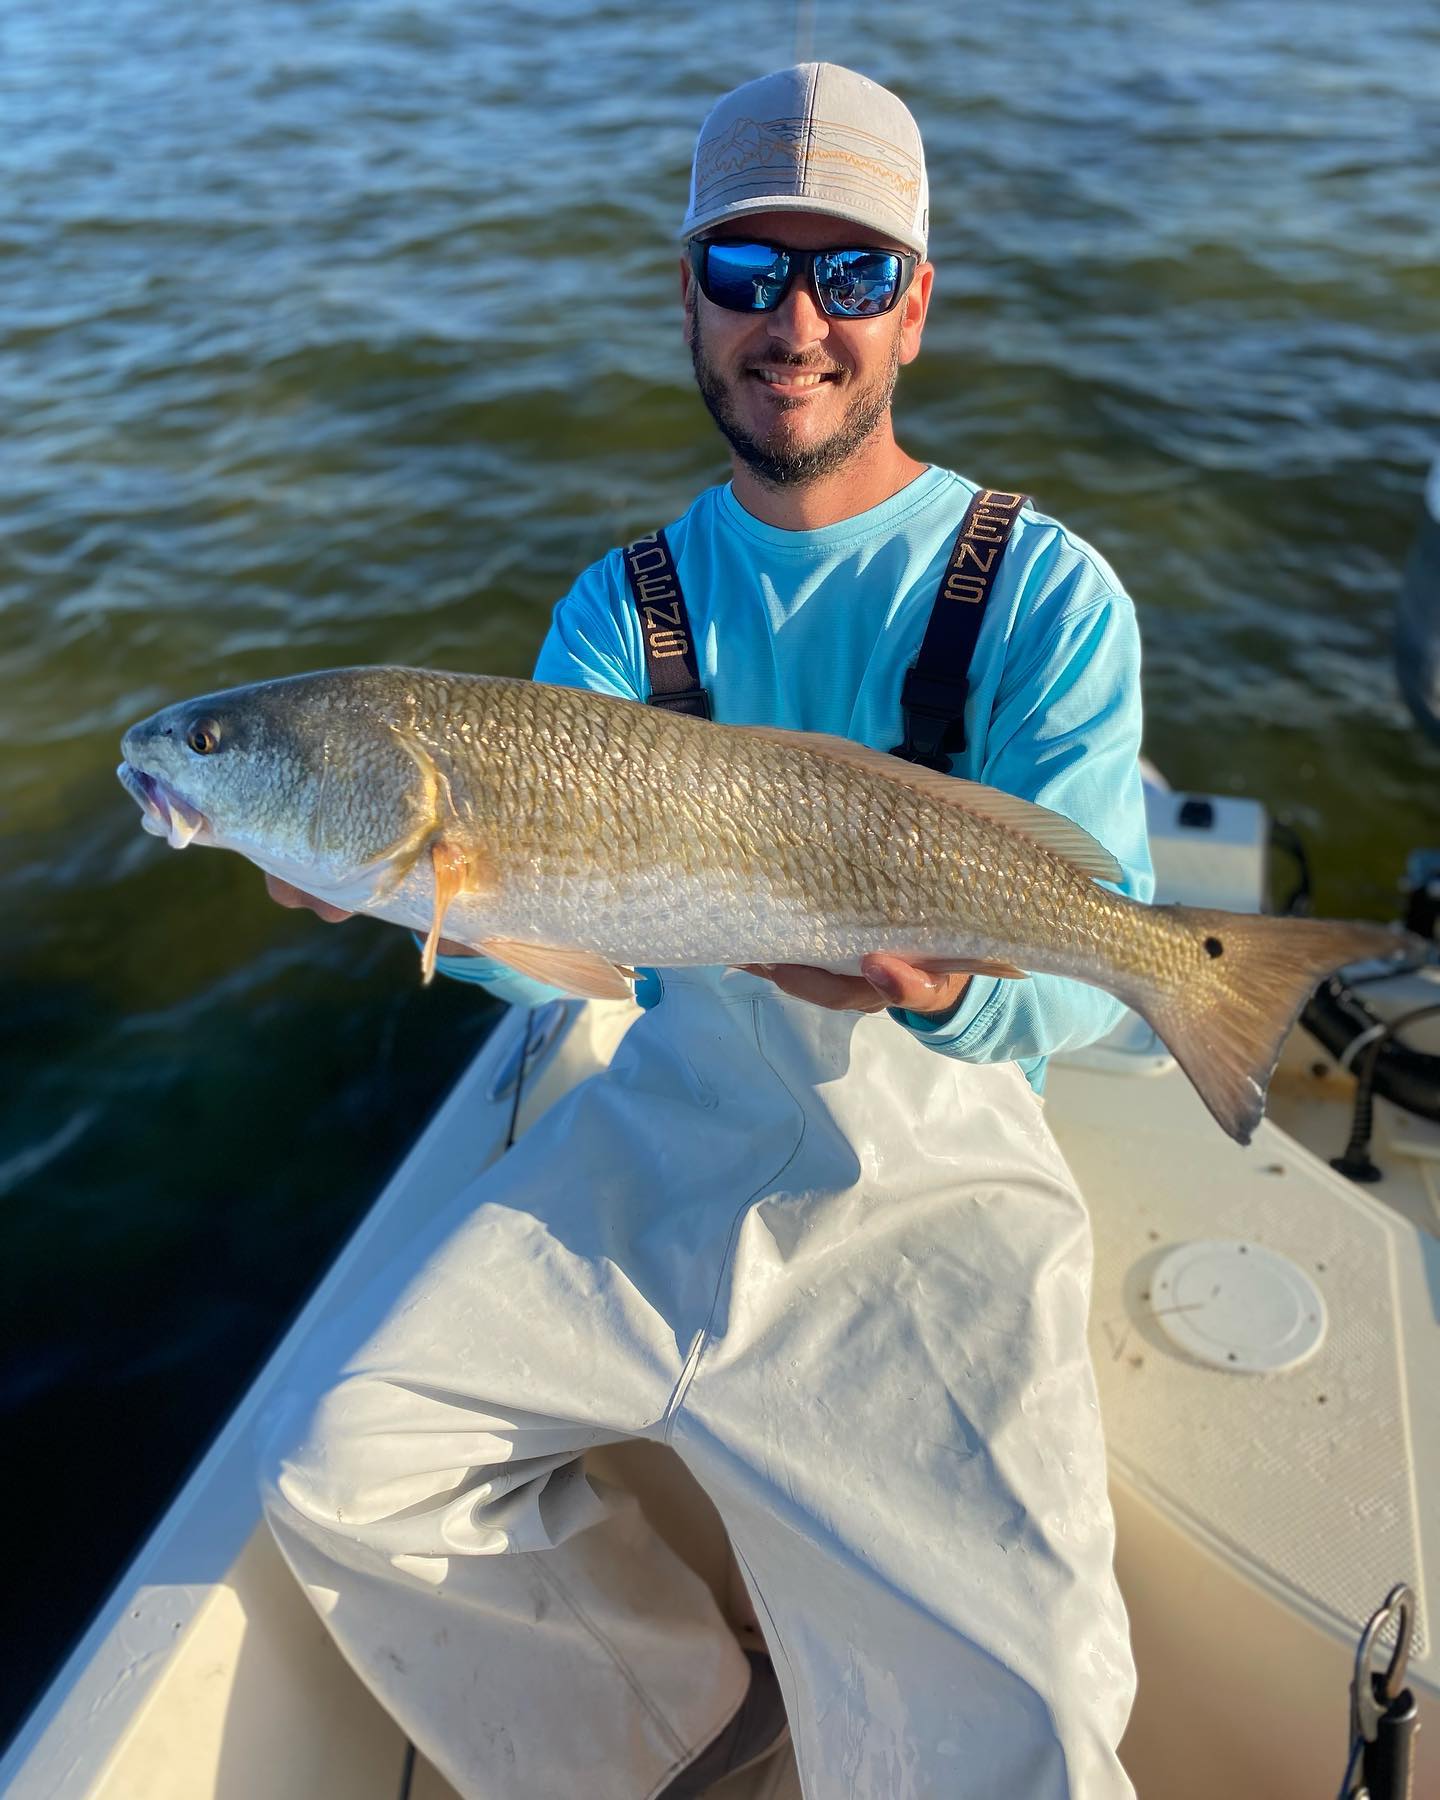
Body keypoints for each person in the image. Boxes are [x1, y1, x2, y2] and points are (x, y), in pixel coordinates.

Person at [261, 63, 1152, 1799]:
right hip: (663, 1136)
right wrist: (391, 887)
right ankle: (686, 1727)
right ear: (690, 299)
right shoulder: (621, 607)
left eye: (851, 276)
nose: (797, 323)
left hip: (934, 1173)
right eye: (749, 275)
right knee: (340, 1461)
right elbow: (574, 937)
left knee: (1035, 1707)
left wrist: (962, 992)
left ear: (916, 309)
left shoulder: (1042, 588)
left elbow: (1102, 975)